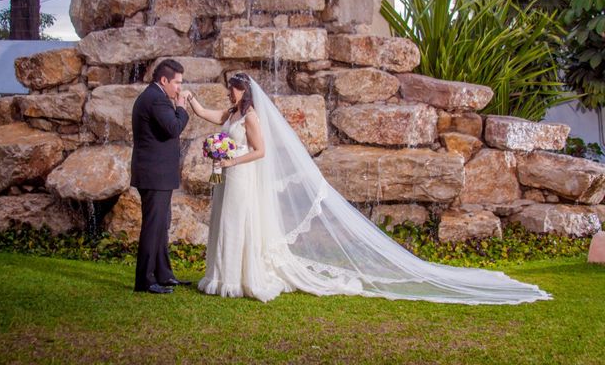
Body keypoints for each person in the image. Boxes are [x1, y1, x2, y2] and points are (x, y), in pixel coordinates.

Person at [184, 72, 552, 304]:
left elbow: (261, 152)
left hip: (241, 176)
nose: (229, 96)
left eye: (232, 91)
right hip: (226, 179)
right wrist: (190, 101)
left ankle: (239, 278)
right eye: (228, 92)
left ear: (242, 92)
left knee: (239, 223)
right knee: (225, 222)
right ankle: (220, 275)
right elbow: (206, 115)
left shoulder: (250, 117)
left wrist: (231, 160)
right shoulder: (231, 115)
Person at [131, 59, 192, 294]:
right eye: (177, 83)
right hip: (154, 176)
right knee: (153, 226)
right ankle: (145, 281)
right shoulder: (156, 98)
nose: (179, 88)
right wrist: (181, 105)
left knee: (161, 226)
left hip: (157, 175)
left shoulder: (154, 96)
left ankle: (164, 274)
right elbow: (174, 128)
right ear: (164, 80)